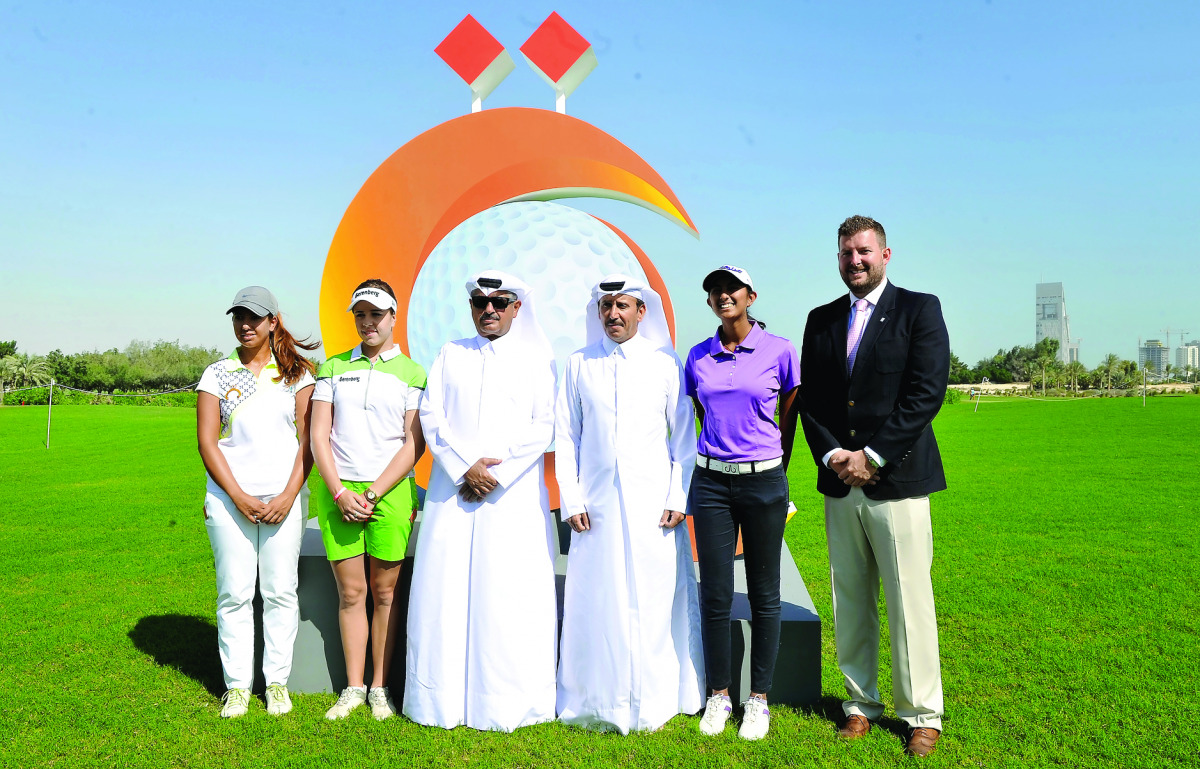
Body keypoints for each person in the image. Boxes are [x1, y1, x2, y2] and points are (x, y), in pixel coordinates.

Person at [798, 215, 949, 758]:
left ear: (886, 255)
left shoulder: (918, 309)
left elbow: (926, 393)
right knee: (851, 597)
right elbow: (810, 402)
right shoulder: (821, 319)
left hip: (899, 481)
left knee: (910, 599)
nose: (854, 261)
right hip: (841, 482)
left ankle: (921, 713)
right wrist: (839, 455)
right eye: (845, 254)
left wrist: (875, 455)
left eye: (863, 252)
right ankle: (860, 703)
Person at [404, 269, 558, 732]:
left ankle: (507, 702)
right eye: (479, 302)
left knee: (509, 593)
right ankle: (440, 702)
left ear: (516, 308)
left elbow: (544, 425)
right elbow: (431, 416)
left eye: (498, 302)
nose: (488, 309)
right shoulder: (450, 354)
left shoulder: (537, 358)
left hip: (511, 500)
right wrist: (464, 467)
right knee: (444, 591)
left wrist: (497, 473)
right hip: (454, 493)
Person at [555, 274, 704, 734]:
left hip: (653, 506)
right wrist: (571, 496)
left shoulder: (664, 363)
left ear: (642, 311)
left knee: (657, 599)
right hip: (594, 507)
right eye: (606, 306)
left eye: (622, 306)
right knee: (597, 598)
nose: (613, 314)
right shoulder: (578, 363)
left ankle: (659, 697)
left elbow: (682, 439)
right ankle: (595, 697)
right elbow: (566, 436)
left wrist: (677, 496)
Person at [684, 265, 800, 741]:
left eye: (731, 288)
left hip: (763, 482)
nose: (723, 295)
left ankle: (759, 700)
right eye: (715, 289)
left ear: (751, 295)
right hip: (711, 484)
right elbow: (699, 411)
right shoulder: (697, 356)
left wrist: (774, 465)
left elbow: (790, 409)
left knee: (763, 592)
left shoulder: (781, 350)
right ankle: (718, 695)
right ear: (709, 301)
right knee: (713, 592)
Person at [196, 286, 318, 718]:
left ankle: (277, 684)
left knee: (280, 591)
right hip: (230, 502)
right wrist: (238, 496)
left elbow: (310, 442)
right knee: (234, 594)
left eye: (254, 317)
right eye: (238, 317)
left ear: (272, 321)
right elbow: (207, 443)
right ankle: (237, 687)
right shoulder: (217, 373)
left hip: (284, 500)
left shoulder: (298, 375)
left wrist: (287, 496)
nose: (245, 325)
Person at [310, 279, 427, 721]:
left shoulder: (413, 373)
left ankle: (380, 688)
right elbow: (319, 435)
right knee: (351, 592)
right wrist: (340, 491)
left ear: (393, 317)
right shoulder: (333, 367)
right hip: (339, 493)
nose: (367, 323)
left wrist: (374, 491)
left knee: (384, 592)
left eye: (376, 314)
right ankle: (353, 687)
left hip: (390, 495)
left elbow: (413, 444)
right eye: (360, 314)